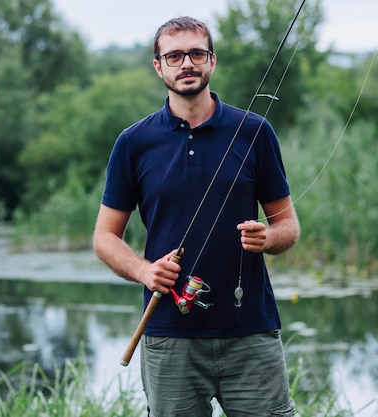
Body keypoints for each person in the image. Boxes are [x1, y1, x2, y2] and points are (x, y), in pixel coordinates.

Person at [92, 16, 300, 417]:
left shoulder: (255, 131)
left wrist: (267, 238)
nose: (186, 63)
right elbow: (104, 237)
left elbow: (288, 227)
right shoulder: (134, 143)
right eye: (174, 55)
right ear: (159, 66)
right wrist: (143, 271)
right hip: (169, 337)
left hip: (251, 332)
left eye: (196, 53)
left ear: (212, 61)